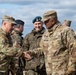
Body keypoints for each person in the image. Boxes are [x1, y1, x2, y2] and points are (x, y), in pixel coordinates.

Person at [26, 10, 76, 75]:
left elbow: (74, 49)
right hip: (50, 71)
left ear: (53, 21)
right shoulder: (46, 33)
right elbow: (42, 49)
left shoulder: (65, 31)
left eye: (46, 21)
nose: (44, 23)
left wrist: (71, 69)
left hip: (63, 72)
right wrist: (31, 52)